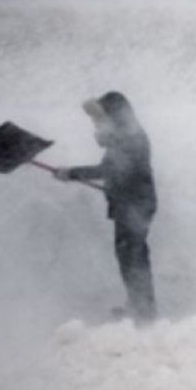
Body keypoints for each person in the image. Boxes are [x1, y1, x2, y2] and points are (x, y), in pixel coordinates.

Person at [54, 91, 158, 323]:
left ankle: (145, 312)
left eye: (100, 118)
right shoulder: (123, 138)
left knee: (133, 256)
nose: (96, 124)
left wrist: (71, 173)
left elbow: (109, 171)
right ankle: (138, 305)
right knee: (127, 256)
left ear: (116, 116)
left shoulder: (132, 140)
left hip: (136, 206)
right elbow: (113, 170)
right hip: (130, 204)